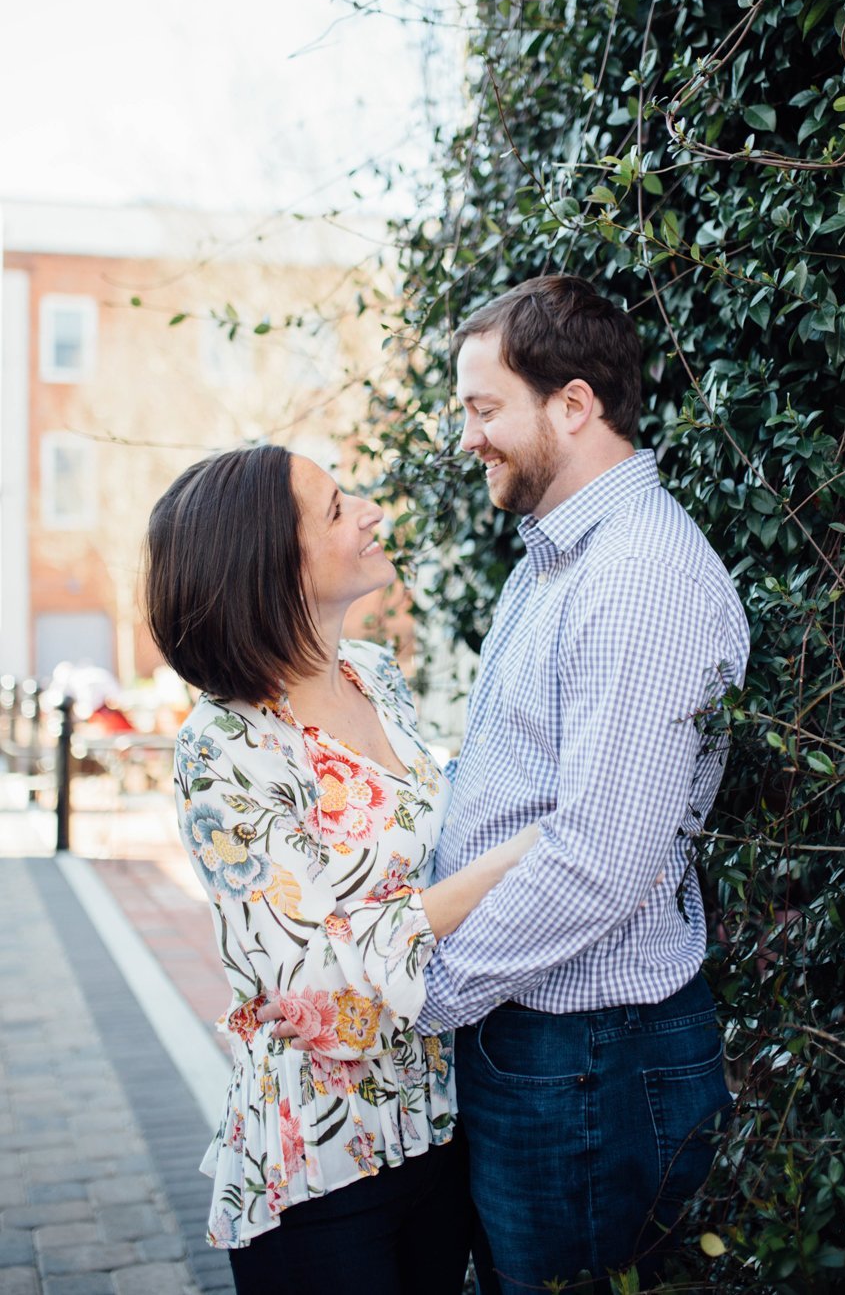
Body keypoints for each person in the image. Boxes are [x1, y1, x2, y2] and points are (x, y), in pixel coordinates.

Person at [414, 275, 750, 1291]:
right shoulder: (556, 558)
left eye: (482, 409)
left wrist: (424, 993)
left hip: (588, 1057)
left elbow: (599, 860)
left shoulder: (636, 577)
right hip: (543, 1039)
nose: (464, 437)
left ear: (572, 404)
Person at [143, 444, 536, 1295]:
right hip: (317, 1168)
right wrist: (508, 865)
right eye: (334, 508)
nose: (370, 509)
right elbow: (310, 987)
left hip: (435, 1127)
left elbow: (424, 846)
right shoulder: (226, 749)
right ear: (270, 569)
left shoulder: (377, 677)